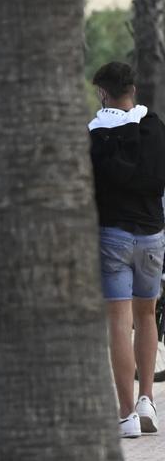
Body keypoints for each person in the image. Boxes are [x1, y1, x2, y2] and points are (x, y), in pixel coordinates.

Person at [88, 62, 165, 438]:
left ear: (103, 93)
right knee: (147, 315)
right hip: (152, 234)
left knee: (119, 321)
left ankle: (125, 414)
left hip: (112, 234)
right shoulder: (154, 127)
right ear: (132, 88)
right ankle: (147, 398)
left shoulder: (95, 135)